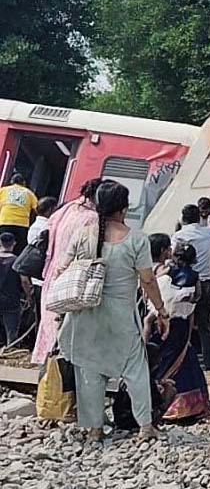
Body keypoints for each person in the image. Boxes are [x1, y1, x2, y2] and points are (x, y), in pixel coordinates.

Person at [57, 181, 168, 442]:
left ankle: (95, 429)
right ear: (124, 208)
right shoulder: (136, 239)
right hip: (120, 315)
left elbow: (62, 270)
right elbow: (148, 280)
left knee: (90, 370)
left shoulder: (84, 234)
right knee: (135, 369)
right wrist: (161, 311)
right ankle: (145, 426)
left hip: (85, 312)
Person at [32, 178, 102, 365]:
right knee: (63, 322)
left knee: (48, 320)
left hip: (51, 272)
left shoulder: (66, 209)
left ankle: (44, 360)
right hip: (72, 276)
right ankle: (59, 365)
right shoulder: (91, 218)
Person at [146, 238, 209, 421]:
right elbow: (194, 304)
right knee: (184, 363)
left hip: (160, 322)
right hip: (180, 326)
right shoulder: (195, 279)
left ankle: (157, 403)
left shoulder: (163, 274)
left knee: (160, 361)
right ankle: (187, 407)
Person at [173, 204, 210, 370]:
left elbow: (173, 256)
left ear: (183, 218)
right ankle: (209, 361)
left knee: (184, 324)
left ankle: (182, 359)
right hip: (206, 283)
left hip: (186, 283)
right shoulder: (209, 232)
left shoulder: (179, 235)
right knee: (205, 325)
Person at [0, 233, 29, 347]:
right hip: (11, 301)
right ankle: (10, 351)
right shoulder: (17, 261)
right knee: (11, 331)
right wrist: (29, 297)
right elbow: (25, 281)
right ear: (14, 244)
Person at [0, 174, 37, 253]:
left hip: (5, 222)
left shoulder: (3, 190)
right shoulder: (29, 193)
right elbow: (37, 209)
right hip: (22, 225)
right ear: (23, 183)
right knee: (18, 250)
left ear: (11, 182)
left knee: (2, 248)